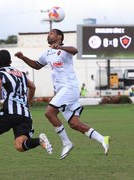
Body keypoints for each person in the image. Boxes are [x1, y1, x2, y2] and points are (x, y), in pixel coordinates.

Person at [15, 29, 110, 160]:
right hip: (62, 92)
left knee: (49, 112)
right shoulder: (47, 53)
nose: (48, 35)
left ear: (59, 36)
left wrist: (61, 47)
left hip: (69, 88)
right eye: (48, 34)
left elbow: (75, 50)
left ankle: (67, 143)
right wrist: (23, 57)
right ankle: (102, 139)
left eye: (51, 33)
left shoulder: (65, 50)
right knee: (75, 124)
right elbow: (36, 65)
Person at [0, 49, 52, 178]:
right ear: (10, 61)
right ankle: (38, 141)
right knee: (20, 146)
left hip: (9, 113)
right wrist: (27, 103)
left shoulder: (0, 73)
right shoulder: (20, 73)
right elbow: (32, 87)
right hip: (25, 114)